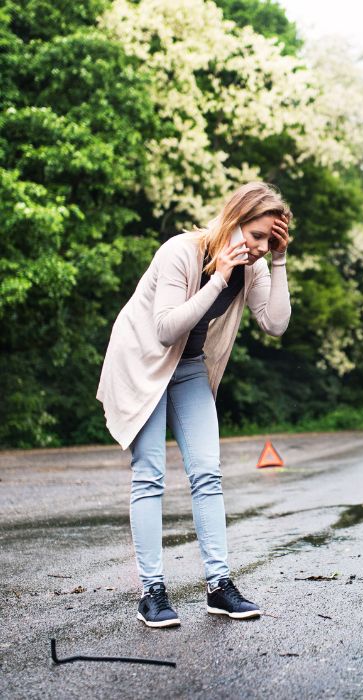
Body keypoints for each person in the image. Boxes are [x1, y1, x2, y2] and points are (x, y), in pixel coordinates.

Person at [96, 182, 293, 628]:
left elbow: (275, 324)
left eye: (270, 240)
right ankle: (152, 591)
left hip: (187, 368)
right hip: (143, 363)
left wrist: (278, 261)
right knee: (149, 474)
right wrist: (220, 277)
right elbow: (166, 328)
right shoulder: (181, 252)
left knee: (207, 471)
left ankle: (219, 586)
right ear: (234, 219)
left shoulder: (255, 266)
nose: (260, 248)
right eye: (257, 236)